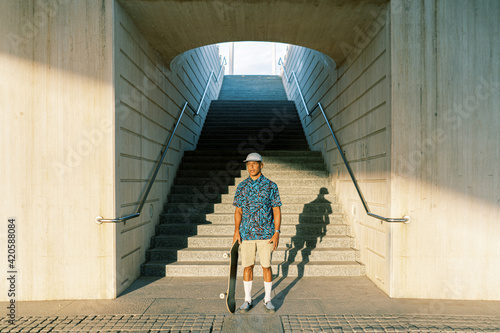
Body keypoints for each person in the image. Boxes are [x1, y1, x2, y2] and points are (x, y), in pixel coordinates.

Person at [233, 152, 282, 313]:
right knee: (247, 266)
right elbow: (238, 211)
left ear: (261, 165)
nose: (251, 167)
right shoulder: (242, 186)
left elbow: (276, 210)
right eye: (248, 164)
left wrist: (276, 232)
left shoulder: (271, 185)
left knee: (266, 266)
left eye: (254, 164)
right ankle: (247, 299)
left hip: (266, 234)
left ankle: (268, 299)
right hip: (246, 234)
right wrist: (236, 231)